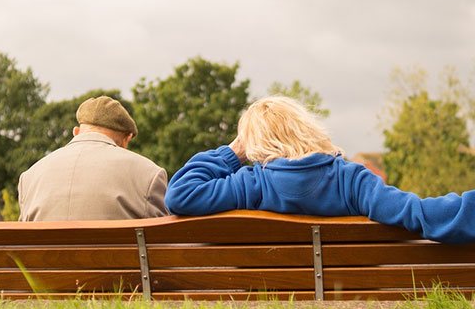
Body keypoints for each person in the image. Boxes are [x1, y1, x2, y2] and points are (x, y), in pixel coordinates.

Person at [165, 96, 475, 244]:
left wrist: (232, 152)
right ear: (305, 127)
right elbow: (416, 213)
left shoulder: (250, 184)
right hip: (351, 292)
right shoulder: (350, 180)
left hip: (270, 295)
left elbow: (180, 194)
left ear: (254, 142)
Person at [18, 96, 167, 221]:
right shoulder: (149, 174)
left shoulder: (29, 177)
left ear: (76, 132)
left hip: (42, 258)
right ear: (126, 139)